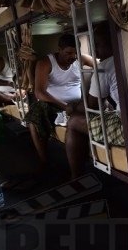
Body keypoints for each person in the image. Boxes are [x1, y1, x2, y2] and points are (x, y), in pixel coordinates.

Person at [24, 34, 93, 169]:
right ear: (59, 50)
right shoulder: (45, 63)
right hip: (53, 104)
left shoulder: (81, 59)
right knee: (35, 115)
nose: (73, 56)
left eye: (75, 53)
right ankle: (44, 161)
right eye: (68, 53)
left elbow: (101, 65)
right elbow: (39, 92)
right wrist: (65, 106)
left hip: (76, 103)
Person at [65, 23, 124, 179]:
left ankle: (76, 177)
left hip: (127, 126)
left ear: (112, 43)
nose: (95, 51)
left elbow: (92, 106)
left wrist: (72, 108)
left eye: (98, 45)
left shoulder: (105, 66)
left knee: (74, 121)